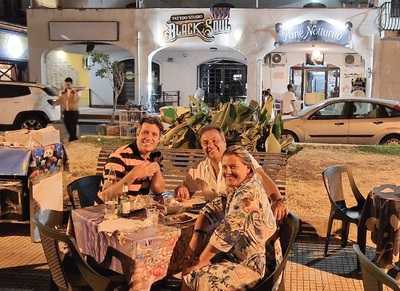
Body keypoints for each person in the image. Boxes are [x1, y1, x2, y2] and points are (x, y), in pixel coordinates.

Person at [181, 146, 280, 291]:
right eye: (225, 167)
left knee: (193, 274)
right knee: (192, 265)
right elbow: (211, 208)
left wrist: (201, 262)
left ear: (248, 168)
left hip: (257, 266)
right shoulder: (237, 187)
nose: (227, 172)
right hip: (238, 256)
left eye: (233, 167)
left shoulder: (248, 193)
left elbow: (227, 232)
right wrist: (197, 236)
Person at [175, 126, 287, 221]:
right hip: (216, 220)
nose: (210, 145)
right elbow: (185, 189)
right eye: (205, 143)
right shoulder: (200, 168)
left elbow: (261, 176)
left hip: (245, 219)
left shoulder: (238, 157)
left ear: (224, 142)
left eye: (215, 141)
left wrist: (277, 200)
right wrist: (182, 189)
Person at [98, 116, 165, 201]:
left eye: (154, 134)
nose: (149, 137)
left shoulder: (155, 155)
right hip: (111, 211)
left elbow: (158, 190)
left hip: (137, 209)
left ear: (158, 140)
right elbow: (105, 196)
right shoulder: (119, 156)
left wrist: (157, 170)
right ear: (137, 134)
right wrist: (134, 174)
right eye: (145, 132)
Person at [52, 77, 81, 142]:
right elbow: (60, 100)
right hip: (66, 112)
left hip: (74, 112)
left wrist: (74, 93)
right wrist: (55, 103)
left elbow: (75, 100)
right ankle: (73, 138)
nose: (67, 86)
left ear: (71, 84)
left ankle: (72, 139)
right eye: (66, 84)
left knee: (72, 126)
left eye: (68, 84)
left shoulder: (75, 92)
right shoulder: (64, 92)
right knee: (67, 125)